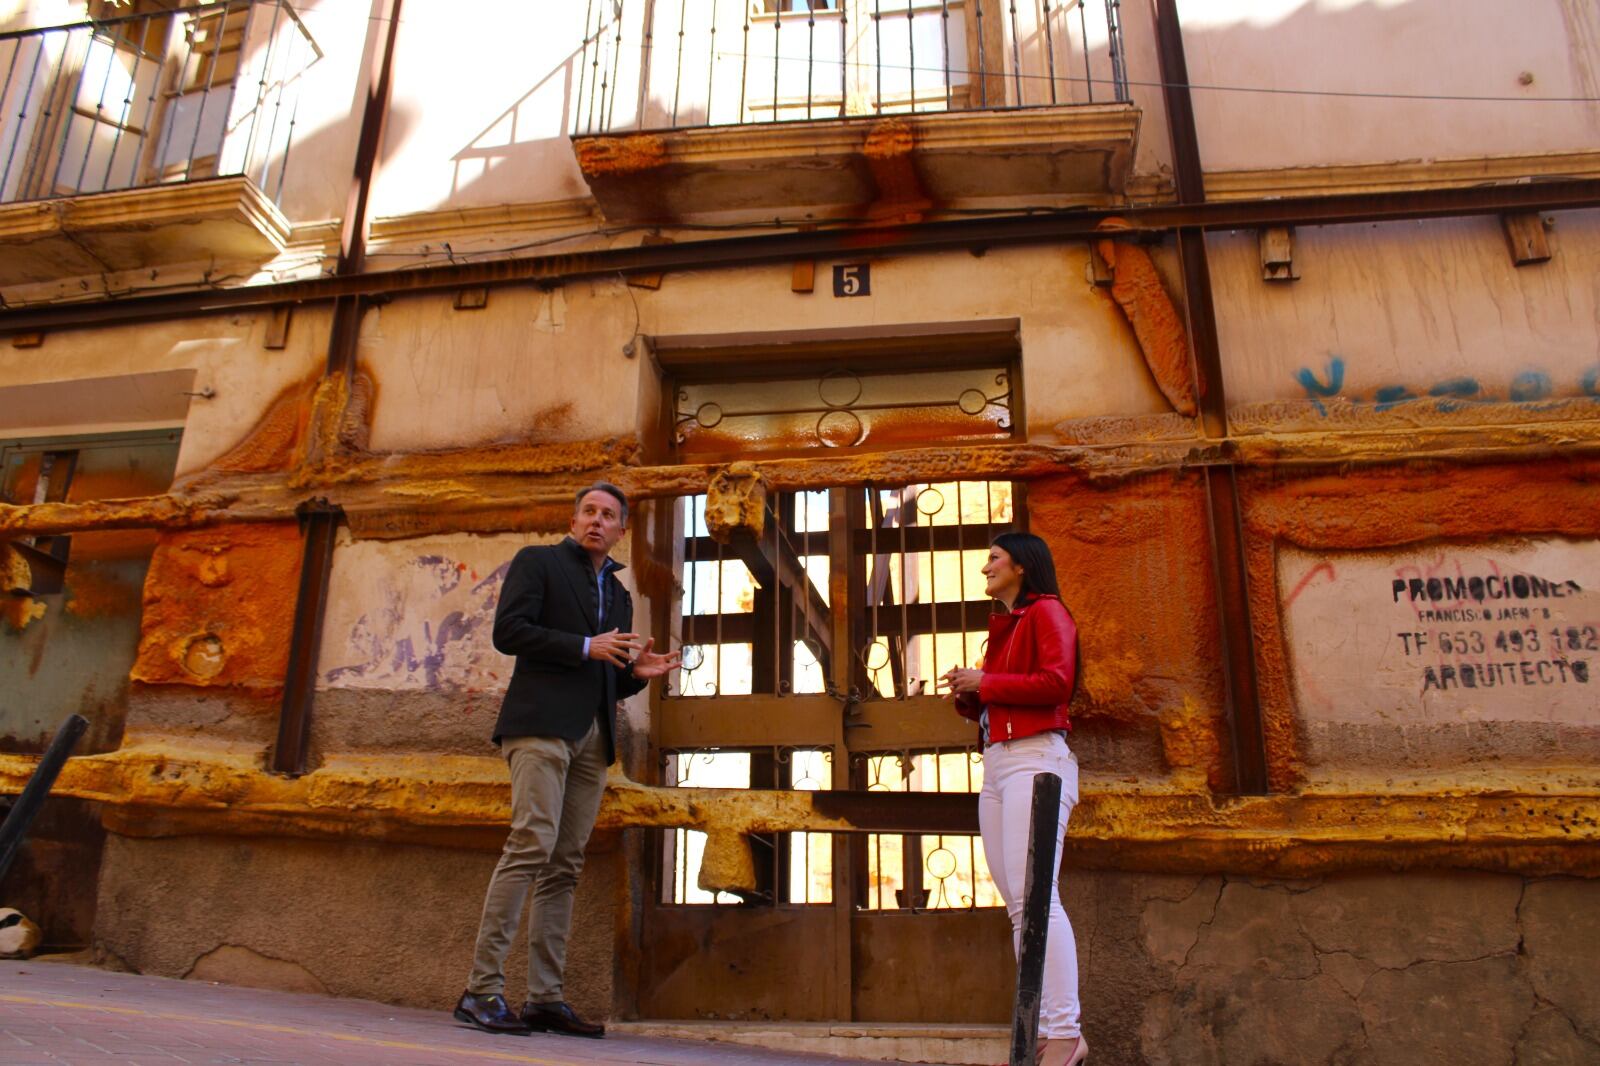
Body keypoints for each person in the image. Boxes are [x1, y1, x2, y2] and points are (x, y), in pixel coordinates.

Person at [454, 482, 679, 1039]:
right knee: (530, 842)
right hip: (540, 726)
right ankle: (481, 990)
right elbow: (510, 633)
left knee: (565, 864)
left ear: (622, 529)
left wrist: (634, 676)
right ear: (574, 520)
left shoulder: (620, 594)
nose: (596, 521)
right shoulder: (539, 564)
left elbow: (608, 670)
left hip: (593, 738)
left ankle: (544, 999)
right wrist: (585, 647)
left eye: (608, 516)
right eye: (588, 512)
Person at [938, 532, 1085, 1066]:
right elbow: (1002, 694)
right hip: (999, 762)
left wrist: (988, 680)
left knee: (1038, 901)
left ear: (1022, 565)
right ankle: (1044, 1031)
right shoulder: (1005, 626)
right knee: (1020, 907)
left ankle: (1066, 1033)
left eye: (994, 559)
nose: (985, 568)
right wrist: (971, 693)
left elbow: (1056, 683)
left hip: (1037, 760)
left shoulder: (1048, 612)